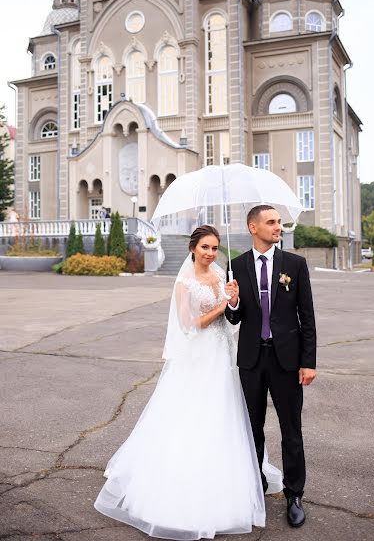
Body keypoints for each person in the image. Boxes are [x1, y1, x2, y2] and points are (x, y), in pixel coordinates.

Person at [94, 225, 280, 539]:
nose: (210, 253)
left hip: (224, 354)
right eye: (205, 247)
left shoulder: (222, 274)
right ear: (193, 248)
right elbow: (188, 323)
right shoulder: (184, 282)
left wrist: (233, 299)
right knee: (193, 413)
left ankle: (227, 481)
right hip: (199, 355)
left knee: (226, 415)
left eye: (215, 248)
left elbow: (235, 312)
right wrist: (222, 306)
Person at [225, 205, 317, 529]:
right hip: (251, 360)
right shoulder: (235, 265)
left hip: (287, 362)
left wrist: (308, 362)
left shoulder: (295, 264)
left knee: (291, 430)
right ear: (253, 227)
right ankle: (255, 486)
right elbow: (234, 317)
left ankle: (295, 495)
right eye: (271, 222)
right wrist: (232, 302)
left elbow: (307, 316)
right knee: (252, 430)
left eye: (279, 221)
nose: (278, 226)